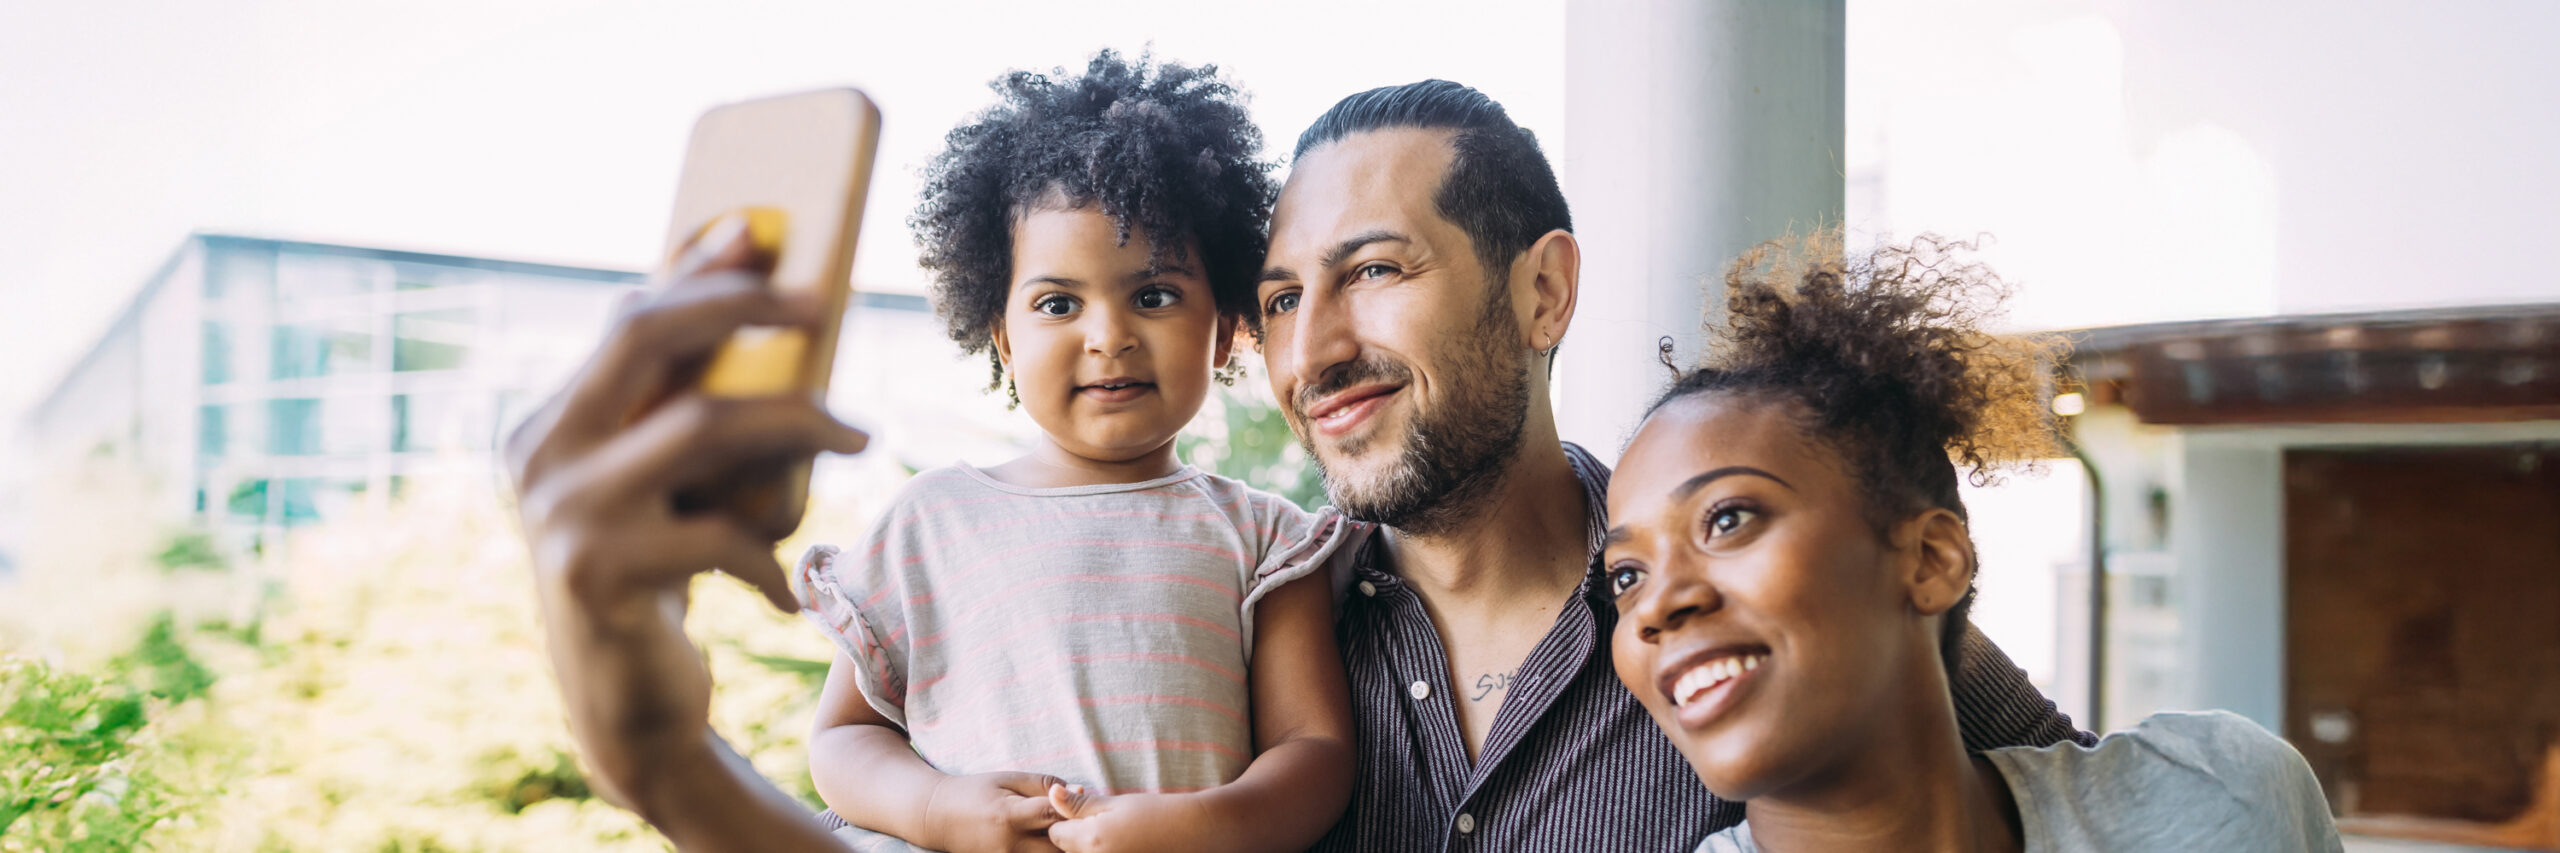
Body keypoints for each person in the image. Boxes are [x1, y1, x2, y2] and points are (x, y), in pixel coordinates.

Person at [1253, 79, 2091, 851]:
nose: (1312, 353)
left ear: (1543, 291)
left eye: (1373, 270)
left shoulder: (1767, 593)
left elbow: (2092, 805)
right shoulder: (1240, 623)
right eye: (1283, 300)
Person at [1602, 234, 2343, 852]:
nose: (1655, 606)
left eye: (1727, 519)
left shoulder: (2226, 798)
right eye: (1626, 575)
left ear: (1931, 560)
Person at [795, 51, 1355, 853]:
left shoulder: (1264, 539)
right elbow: (841, 739)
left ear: (1226, 326)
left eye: (1154, 295)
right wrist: (935, 808)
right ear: (1004, 339)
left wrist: (1201, 824)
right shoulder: (932, 521)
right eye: (1058, 303)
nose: (1109, 336)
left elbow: (1316, 751)